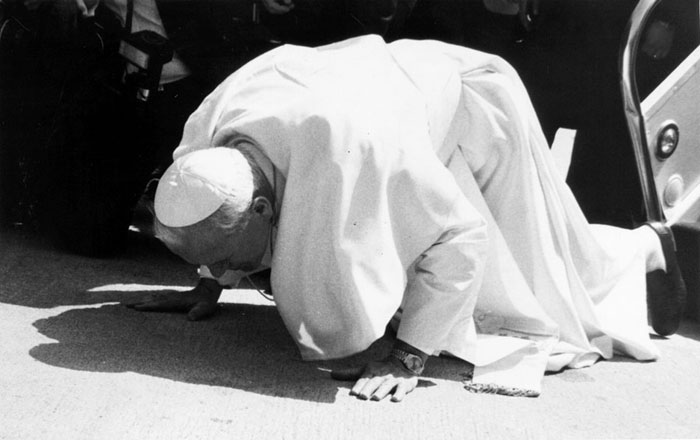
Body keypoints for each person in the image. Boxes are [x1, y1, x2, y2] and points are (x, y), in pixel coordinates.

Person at [128, 35, 686, 401]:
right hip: (389, 91)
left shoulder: (357, 150)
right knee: (518, 264)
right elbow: (213, 210)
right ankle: (633, 252)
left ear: (265, 206)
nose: (230, 269)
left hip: (470, 105)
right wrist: (209, 281)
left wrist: (409, 354)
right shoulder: (206, 146)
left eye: (227, 259)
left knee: (538, 278)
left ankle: (642, 249)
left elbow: (460, 237)